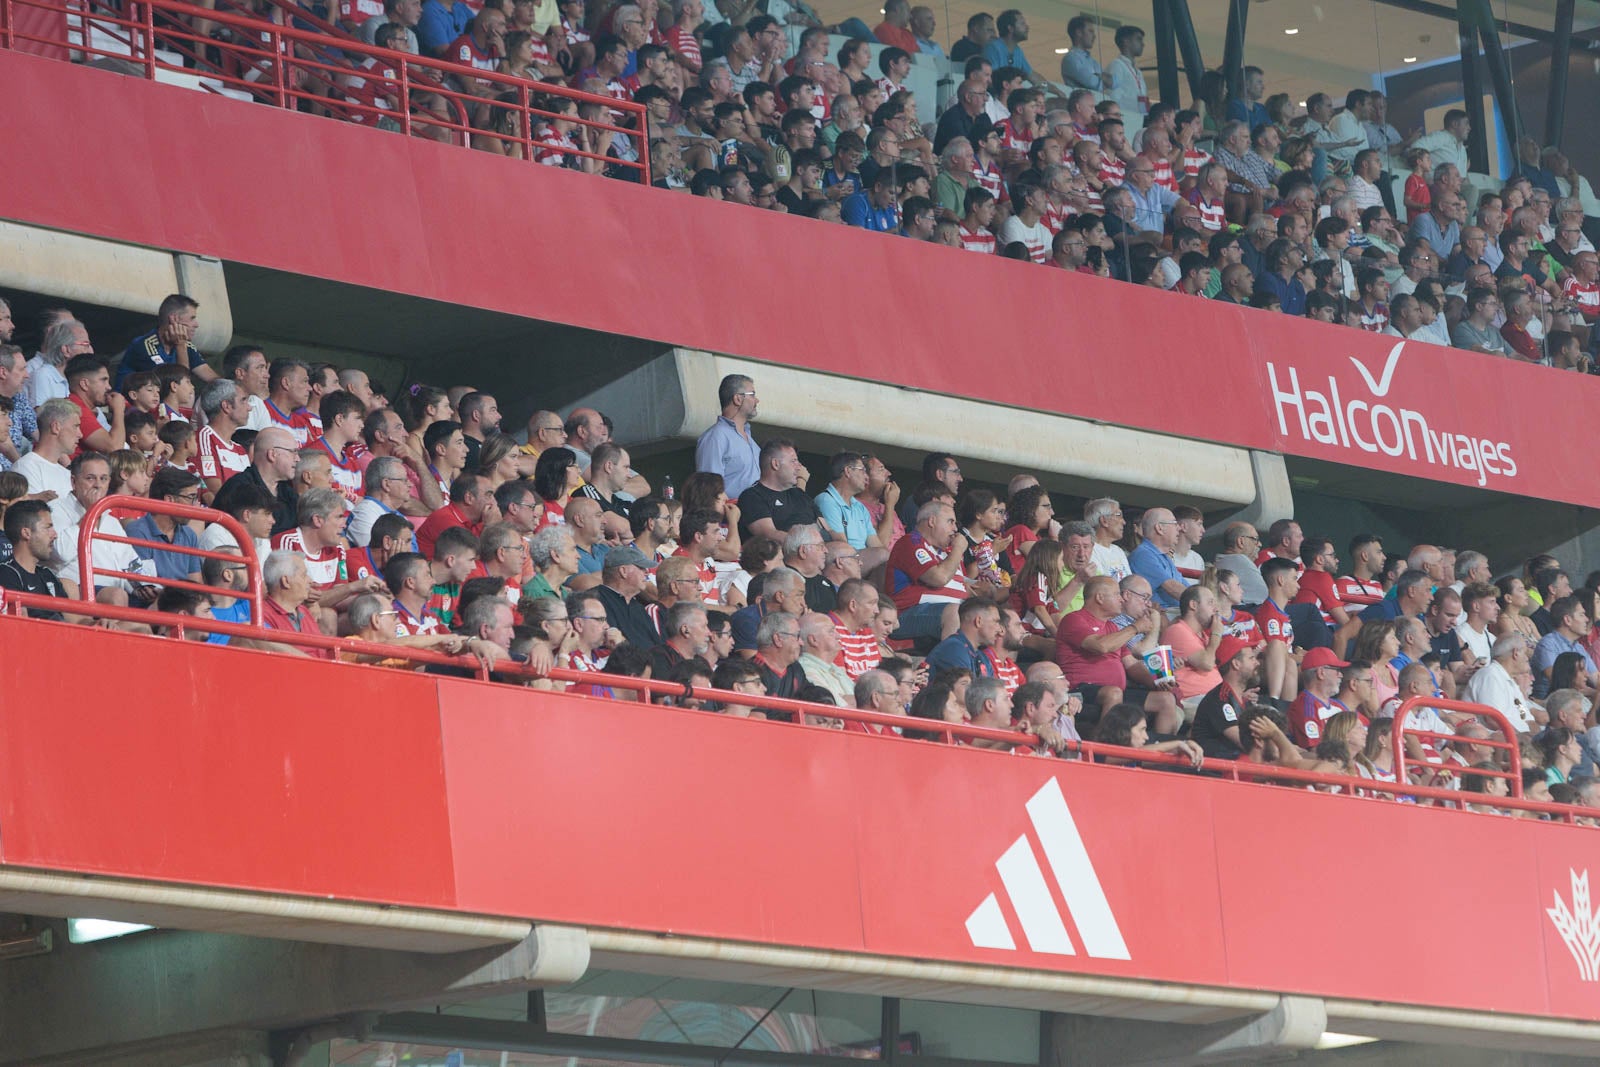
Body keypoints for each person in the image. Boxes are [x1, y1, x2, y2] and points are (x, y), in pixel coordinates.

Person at [1188, 634, 1262, 759]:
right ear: (1236, 664)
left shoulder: (1245, 701)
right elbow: (1246, 743)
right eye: (1251, 658)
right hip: (1214, 772)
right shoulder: (1219, 699)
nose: (1257, 663)